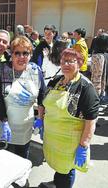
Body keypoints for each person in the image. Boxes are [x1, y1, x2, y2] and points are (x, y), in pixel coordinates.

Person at [38, 48, 100, 188]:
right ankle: (57, 182)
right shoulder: (56, 81)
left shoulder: (85, 87)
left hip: (70, 143)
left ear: (80, 63)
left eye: (70, 61)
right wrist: (41, 119)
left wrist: (83, 145)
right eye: (63, 61)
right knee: (59, 167)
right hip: (52, 139)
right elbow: (43, 101)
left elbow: (91, 121)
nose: (65, 64)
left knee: (67, 170)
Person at [0, 36, 46, 158]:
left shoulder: (35, 70)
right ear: (11, 54)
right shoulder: (1, 69)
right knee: (5, 160)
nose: (21, 57)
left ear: (30, 54)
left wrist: (41, 118)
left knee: (22, 157)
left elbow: (42, 95)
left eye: (25, 53)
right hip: (5, 125)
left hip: (26, 126)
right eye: (17, 53)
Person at [90, 33, 108, 104]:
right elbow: (97, 75)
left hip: (100, 85)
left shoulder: (100, 54)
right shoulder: (99, 56)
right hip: (98, 87)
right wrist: (98, 90)